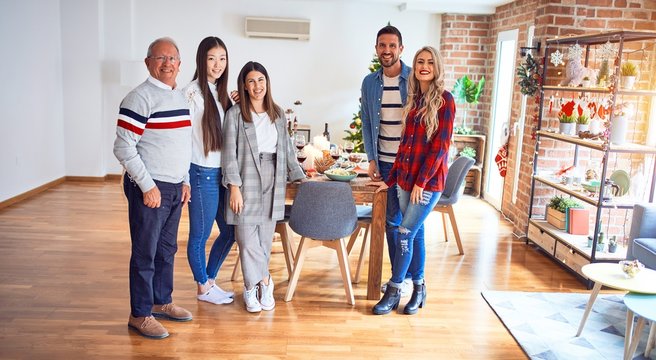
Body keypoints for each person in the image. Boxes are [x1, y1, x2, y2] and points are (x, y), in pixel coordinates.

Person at [113, 37, 193, 338]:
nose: (167, 63)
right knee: (145, 252)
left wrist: (184, 180)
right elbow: (123, 147)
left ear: (179, 64)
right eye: (161, 58)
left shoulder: (179, 97)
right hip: (151, 186)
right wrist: (147, 186)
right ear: (148, 63)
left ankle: (161, 302)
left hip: (174, 187)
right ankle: (140, 313)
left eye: (173, 58)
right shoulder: (139, 98)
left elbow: (183, 143)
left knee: (167, 249)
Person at [367, 46, 455, 315]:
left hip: (426, 184)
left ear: (436, 67)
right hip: (404, 180)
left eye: (429, 62)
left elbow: (440, 148)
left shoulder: (445, 100)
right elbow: (404, 145)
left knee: (404, 233)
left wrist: (421, 182)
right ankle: (419, 288)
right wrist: (391, 180)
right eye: (420, 62)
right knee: (414, 233)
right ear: (415, 67)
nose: (424, 66)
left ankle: (394, 290)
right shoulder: (414, 99)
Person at [222, 61, 305, 313]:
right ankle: (260, 284)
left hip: (274, 174)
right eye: (251, 81)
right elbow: (229, 153)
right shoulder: (235, 114)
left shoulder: (277, 114)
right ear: (244, 86)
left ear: (267, 83)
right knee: (247, 239)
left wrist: (299, 177)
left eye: (261, 80)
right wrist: (234, 186)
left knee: (264, 239)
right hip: (246, 175)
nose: (257, 86)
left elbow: (288, 150)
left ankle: (255, 287)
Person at [360, 25, 416, 296]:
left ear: (401, 49)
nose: (387, 50)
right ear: (376, 48)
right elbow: (368, 123)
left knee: (412, 224)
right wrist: (371, 159)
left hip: (409, 165)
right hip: (383, 163)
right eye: (382, 45)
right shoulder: (369, 83)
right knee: (392, 224)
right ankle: (399, 278)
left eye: (392, 45)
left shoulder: (415, 79)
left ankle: (412, 280)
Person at [183, 36, 236, 305]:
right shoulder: (191, 94)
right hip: (201, 173)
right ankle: (202, 287)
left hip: (220, 175)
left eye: (222, 59)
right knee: (200, 235)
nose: (217, 64)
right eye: (212, 58)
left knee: (230, 231)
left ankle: (210, 280)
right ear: (202, 60)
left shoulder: (219, 92)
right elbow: (181, 139)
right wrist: (185, 179)